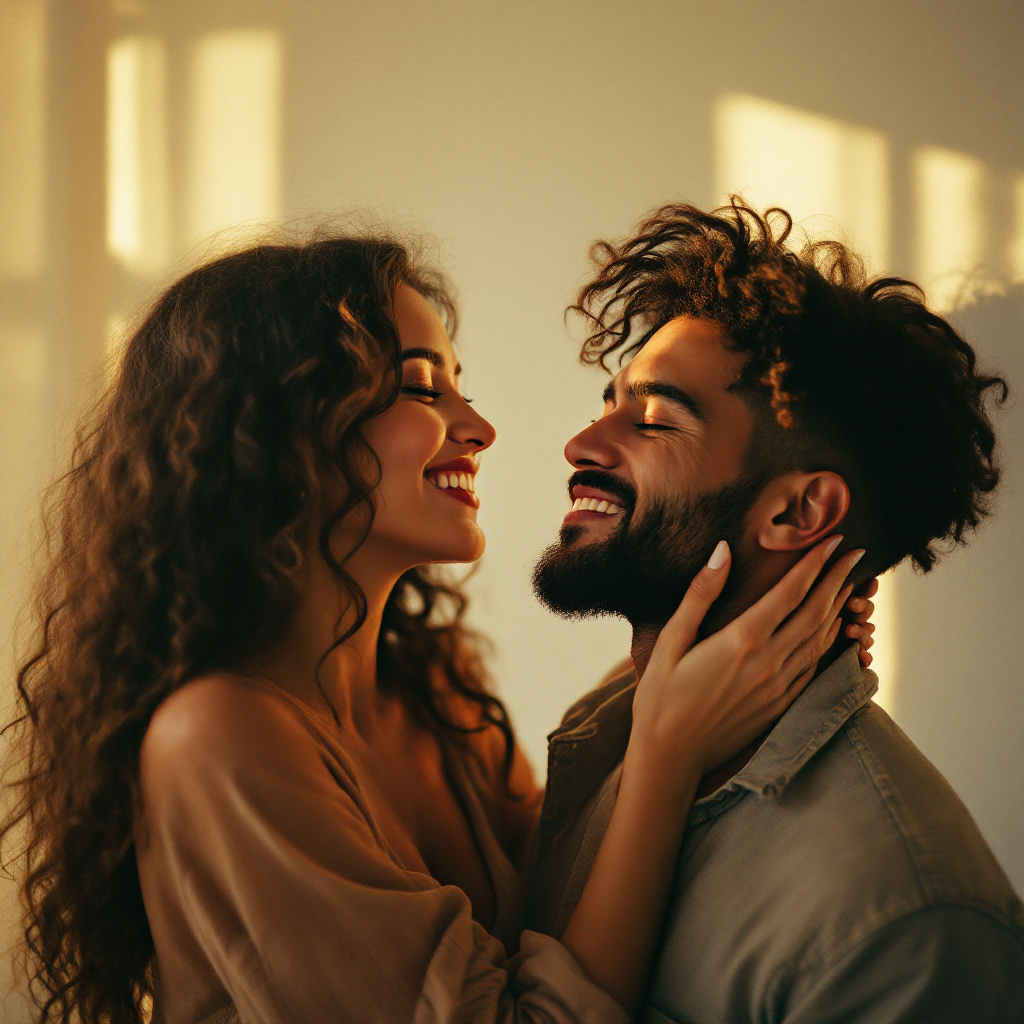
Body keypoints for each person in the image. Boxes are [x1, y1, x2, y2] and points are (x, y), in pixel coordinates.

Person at [0, 231, 872, 1024]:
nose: (480, 429)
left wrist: (739, 635)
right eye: (423, 387)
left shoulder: (429, 685)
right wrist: (669, 747)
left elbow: (567, 891)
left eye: (461, 386)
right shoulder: (219, 737)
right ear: (277, 429)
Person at [526, 199, 1024, 1022]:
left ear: (798, 514)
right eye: (607, 400)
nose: (582, 442)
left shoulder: (905, 920)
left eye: (651, 419)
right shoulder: (609, 725)